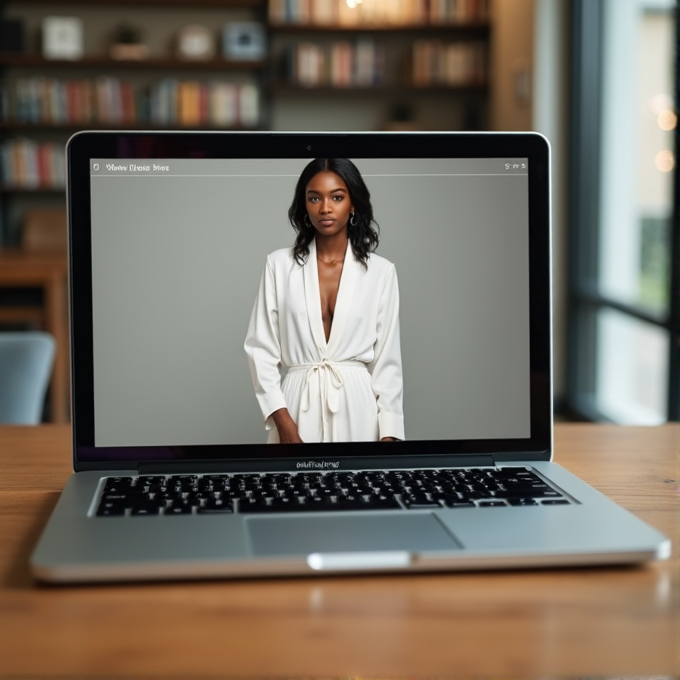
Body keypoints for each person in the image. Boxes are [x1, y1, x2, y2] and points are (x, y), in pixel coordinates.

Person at [244, 158, 404, 443]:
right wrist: (283, 422)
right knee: (290, 489)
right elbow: (260, 350)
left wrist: (389, 436)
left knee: (358, 489)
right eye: (314, 198)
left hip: (359, 411)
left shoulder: (381, 272)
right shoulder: (278, 266)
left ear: (353, 204)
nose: (325, 208)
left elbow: (387, 364)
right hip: (295, 408)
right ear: (304, 205)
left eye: (337, 197)